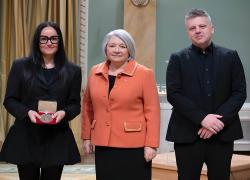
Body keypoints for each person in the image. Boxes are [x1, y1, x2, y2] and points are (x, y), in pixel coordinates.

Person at [166, 8, 247, 180]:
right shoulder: (177, 58)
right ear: (188, 32)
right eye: (192, 28)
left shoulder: (230, 56)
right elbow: (174, 94)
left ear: (212, 28)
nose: (197, 30)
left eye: (202, 26)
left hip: (222, 134)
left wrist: (216, 121)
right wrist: (203, 118)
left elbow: (239, 92)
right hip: (187, 134)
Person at [0, 21, 82, 180]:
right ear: (37, 41)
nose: (49, 42)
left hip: (56, 137)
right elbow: (9, 100)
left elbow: (75, 105)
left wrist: (64, 113)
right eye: (44, 38)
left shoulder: (73, 70)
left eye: (53, 38)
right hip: (26, 136)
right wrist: (27, 112)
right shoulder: (20, 66)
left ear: (60, 41)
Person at [82, 29, 160, 180]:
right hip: (103, 143)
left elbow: (153, 111)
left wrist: (151, 144)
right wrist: (86, 137)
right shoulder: (94, 71)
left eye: (122, 46)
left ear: (129, 49)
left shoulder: (144, 74)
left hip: (134, 145)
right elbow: (87, 106)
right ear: (106, 49)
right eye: (112, 46)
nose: (117, 50)